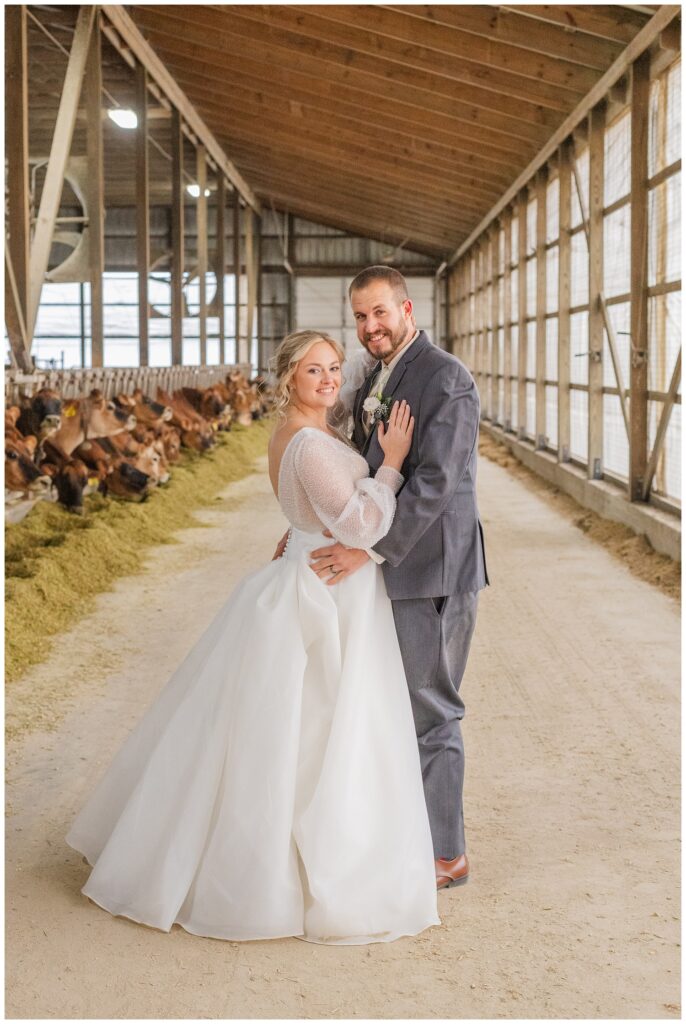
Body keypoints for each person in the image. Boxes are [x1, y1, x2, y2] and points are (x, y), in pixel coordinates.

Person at [66, 329, 439, 945]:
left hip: (313, 569)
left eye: (333, 368)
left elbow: (307, 520)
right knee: (321, 726)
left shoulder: (306, 434)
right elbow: (362, 522)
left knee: (309, 727)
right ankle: (287, 873)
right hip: (328, 590)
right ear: (289, 376)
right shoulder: (310, 446)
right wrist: (394, 461)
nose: (328, 380)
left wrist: (301, 536)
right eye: (314, 370)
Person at [285, 267, 489, 891]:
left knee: (432, 708)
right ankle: (407, 834)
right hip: (395, 565)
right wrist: (318, 531)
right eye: (360, 317)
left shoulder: (445, 377)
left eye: (379, 313)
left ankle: (446, 854)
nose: (370, 327)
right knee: (393, 706)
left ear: (405, 307)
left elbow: (436, 484)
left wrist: (366, 552)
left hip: (431, 569)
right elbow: (356, 470)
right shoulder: (376, 375)